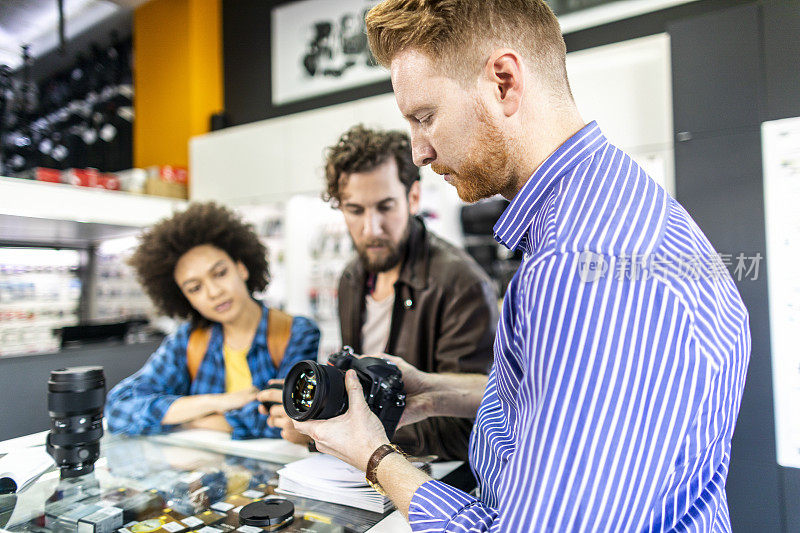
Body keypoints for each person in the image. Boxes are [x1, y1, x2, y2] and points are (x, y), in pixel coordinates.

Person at [285, 1, 751, 531]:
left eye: (425, 116)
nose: (419, 150)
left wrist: (374, 457)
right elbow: (564, 402)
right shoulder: (611, 208)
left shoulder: (576, 266)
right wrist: (438, 393)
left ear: (504, 82)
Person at [258, 125, 497, 460]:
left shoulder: (461, 284)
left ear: (413, 198)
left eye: (385, 206)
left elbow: (465, 430)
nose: (371, 228)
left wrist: (327, 433)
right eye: (355, 210)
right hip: (369, 473)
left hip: (436, 486)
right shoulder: (352, 277)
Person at [105, 202, 320, 439]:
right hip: (207, 473)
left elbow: (283, 418)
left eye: (220, 273)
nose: (213, 292)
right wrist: (218, 402)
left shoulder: (296, 332)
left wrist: (188, 419)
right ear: (185, 298)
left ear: (242, 269)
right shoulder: (187, 340)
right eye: (195, 288)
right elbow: (119, 408)